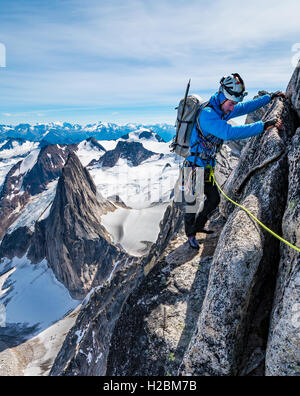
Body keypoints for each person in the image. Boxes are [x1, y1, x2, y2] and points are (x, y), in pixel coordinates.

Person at [184, 73, 285, 249]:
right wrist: (263, 125)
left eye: (233, 104)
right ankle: (190, 235)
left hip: (206, 166)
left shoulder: (221, 108)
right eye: (231, 104)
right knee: (190, 203)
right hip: (193, 167)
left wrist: (270, 98)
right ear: (223, 97)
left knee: (213, 199)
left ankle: (199, 225)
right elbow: (228, 133)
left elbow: (245, 107)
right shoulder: (208, 114)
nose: (232, 109)